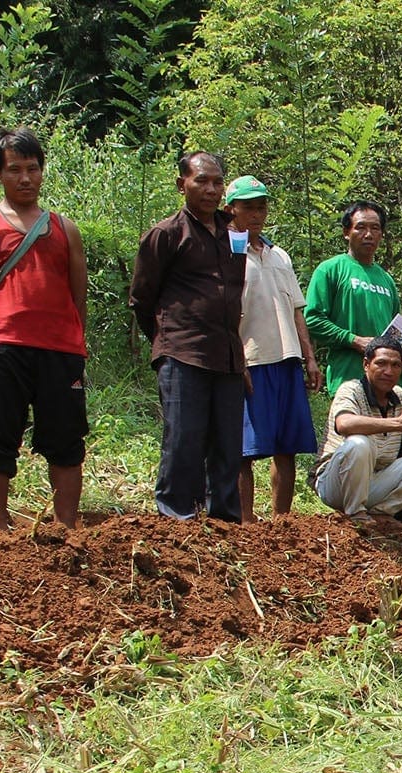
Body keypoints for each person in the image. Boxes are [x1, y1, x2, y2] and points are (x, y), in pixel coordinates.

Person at [0, 128, 89, 530]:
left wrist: (76, 347)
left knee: (66, 442)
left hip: (60, 352)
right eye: (15, 170)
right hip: (3, 347)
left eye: (33, 168)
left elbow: (76, 296)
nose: (26, 178)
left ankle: (66, 526)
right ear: (0, 173)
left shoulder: (66, 229)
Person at [129, 150, 247, 522]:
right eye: (201, 181)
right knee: (184, 438)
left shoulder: (234, 234)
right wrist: (167, 343)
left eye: (216, 182)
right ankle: (177, 519)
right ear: (182, 184)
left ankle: (224, 520)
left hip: (227, 354)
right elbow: (142, 299)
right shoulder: (166, 235)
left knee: (228, 443)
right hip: (183, 352)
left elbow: (234, 294)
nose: (211, 189)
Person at [223, 176, 321, 521]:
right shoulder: (226, 252)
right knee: (245, 448)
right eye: (247, 206)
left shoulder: (279, 255)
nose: (256, 213)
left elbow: (297, 309)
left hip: (287, 357)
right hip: (252, 358)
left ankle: (282, 520)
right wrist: (238, 362)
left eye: (261, 206)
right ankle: (246, 520)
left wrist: (309, 357)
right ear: (230, 208)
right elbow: (226, 313)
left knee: (288, 445)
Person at [312, 336, 402, 521]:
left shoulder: (400, 396)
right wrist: (399, 423)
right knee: (359, 443)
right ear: (366, 365)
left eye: (395, 365)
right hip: (335, 483)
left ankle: (382, 512)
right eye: (381, 363)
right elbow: (344, 424)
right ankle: (356, 514)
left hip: (373, 481)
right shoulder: (351, 390)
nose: (388, 371)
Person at [304, 201, 401, 400]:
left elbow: (395, 327)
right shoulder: (330, 270)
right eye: (361, 227)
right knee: (352, 431)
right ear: (346, 232)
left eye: (375, 228)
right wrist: (354, 340)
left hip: (389, 384)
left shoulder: (386, 279)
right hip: (348, 378)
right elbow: (313, 319)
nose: (368, 234)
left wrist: (401, 350)